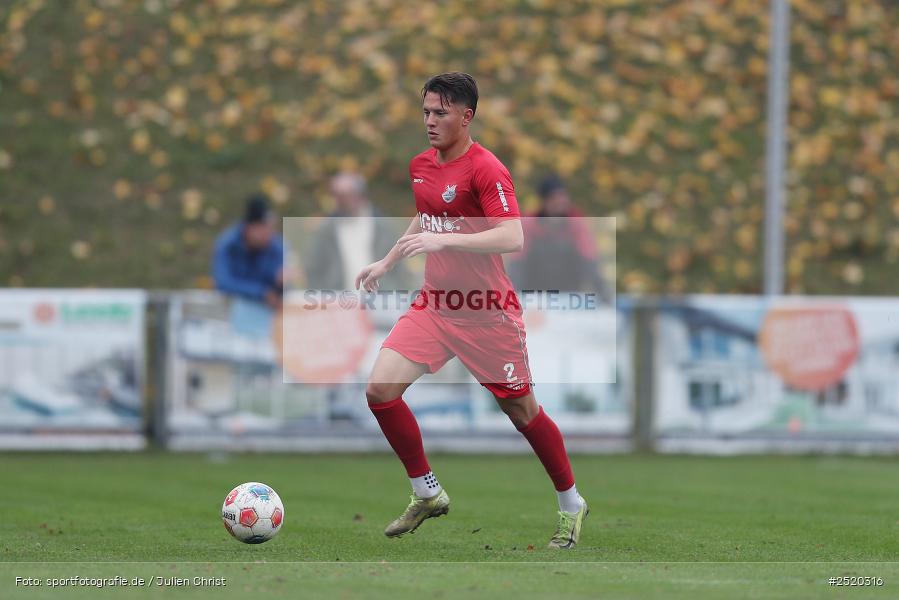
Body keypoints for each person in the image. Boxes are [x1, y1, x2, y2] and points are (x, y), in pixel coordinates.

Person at [355, 72, 588, 549]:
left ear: (466, 116)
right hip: (437, 305)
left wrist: (446, 238)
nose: (430, 121)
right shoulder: (421, 165)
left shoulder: (487, 169)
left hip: (486, 312)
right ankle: (427, 492)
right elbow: (426, 218)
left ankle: (571, 503)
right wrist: (387, 260)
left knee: (522, 412)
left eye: (440, 112)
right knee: (380, 390)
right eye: (425, 111)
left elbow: (512, 235)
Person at [509, 174, 610, 300]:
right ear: (545, 201)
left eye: (563, 196)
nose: (561, 201)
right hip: (533, 294)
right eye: (554, 197)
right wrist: (513, 296)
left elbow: (589, 259)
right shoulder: (529, 224)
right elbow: (517, 263)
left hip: (569, 294)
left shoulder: (576, 223)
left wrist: (604, 293)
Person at [304, 172, 409, 291]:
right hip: (338, 301)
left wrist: (394, 294)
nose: (340, 201)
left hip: (380, 300)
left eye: (345, 195)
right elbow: (313, 269)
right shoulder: (325, 230)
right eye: (337, 196)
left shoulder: (384, 227)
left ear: (360, 195)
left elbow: (400, 267)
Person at [212, 195, 284, 309]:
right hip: (233, 309)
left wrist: (280, 282)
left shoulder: (276, 246)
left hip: (266, 312)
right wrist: (261, 293)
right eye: (265, 230)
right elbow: (223, 283)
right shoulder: (227, 245)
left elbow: (276, 283)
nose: (270, 235)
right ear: (250, 228)